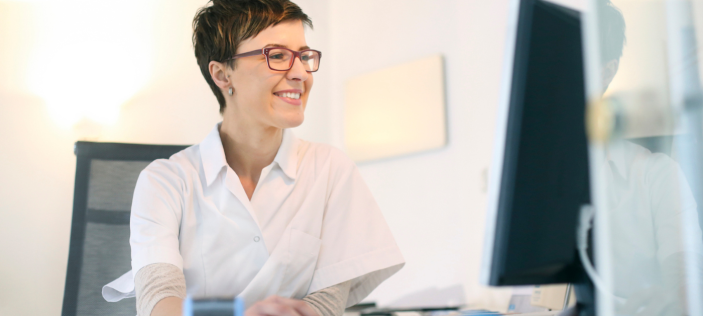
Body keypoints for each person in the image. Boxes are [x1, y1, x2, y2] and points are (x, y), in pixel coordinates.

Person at [101, 1, 405, 315]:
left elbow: (326, 305)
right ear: (222, 75)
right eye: (276, 56)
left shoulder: (330, 170)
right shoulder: (166, 181)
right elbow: (158, 302)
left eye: (303, 56)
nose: (300, 73)